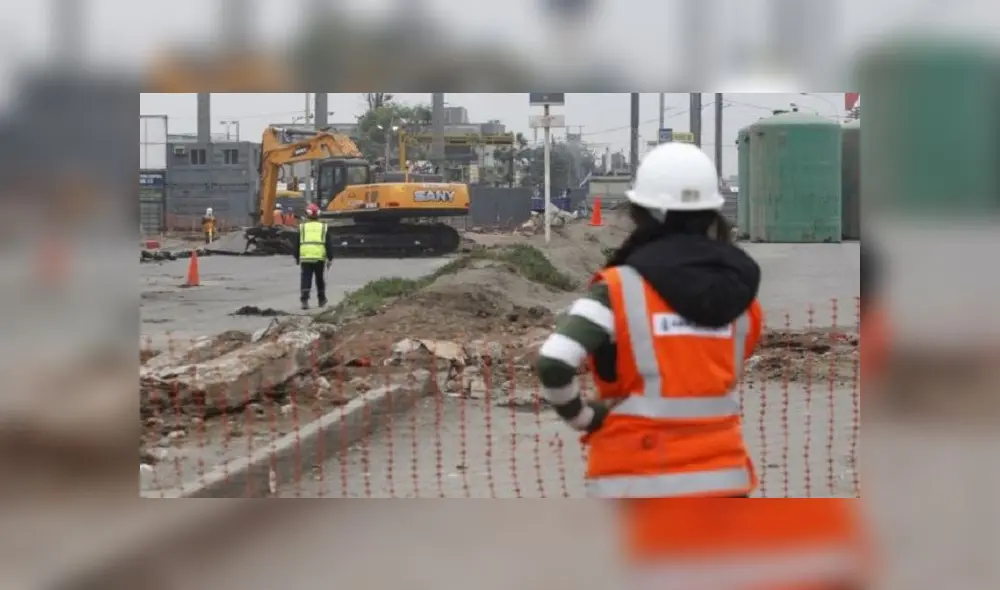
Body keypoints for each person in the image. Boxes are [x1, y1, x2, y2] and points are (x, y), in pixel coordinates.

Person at [536, 142, 866, 589]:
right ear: (712, 211)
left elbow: (556, 362)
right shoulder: (741, 303)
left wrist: (583, 416)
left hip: (637, 481)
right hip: (723, 481)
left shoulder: (618, 290)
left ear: (643, 212)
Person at [295, 203, 334, 310]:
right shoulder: (323, 227)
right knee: (319, 278)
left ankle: (304, 300)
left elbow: (297, 243)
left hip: (305, 257)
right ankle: (321, 299)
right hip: (319, 257)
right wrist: (330, 258)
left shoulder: (302, 227)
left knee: (306, 278)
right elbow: (328, 244)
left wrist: (297, 257)